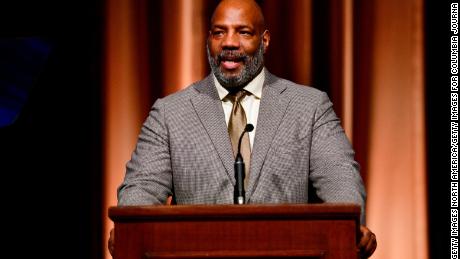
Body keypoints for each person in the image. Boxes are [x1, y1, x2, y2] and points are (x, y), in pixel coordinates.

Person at [110, 0, 377, 257]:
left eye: (243, 32)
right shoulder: (170, 114)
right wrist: (128, 228)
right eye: (219, 32)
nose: (229, 42)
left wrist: (352, 227)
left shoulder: (310, 107)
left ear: (265, 40)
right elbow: (141, 189)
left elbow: (340, 180)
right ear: (208, 40)